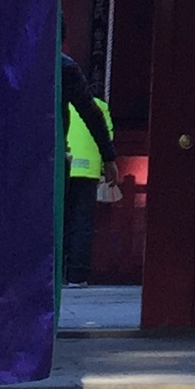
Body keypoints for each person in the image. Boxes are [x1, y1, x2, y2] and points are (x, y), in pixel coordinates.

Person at [60, 48, 116, 287]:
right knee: (81, 221)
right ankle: (77, 275)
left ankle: (56, 273)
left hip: (60, 161)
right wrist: (109, 159)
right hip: (87, 168)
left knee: (59, 220)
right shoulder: (98, 106)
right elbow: (102, 127)